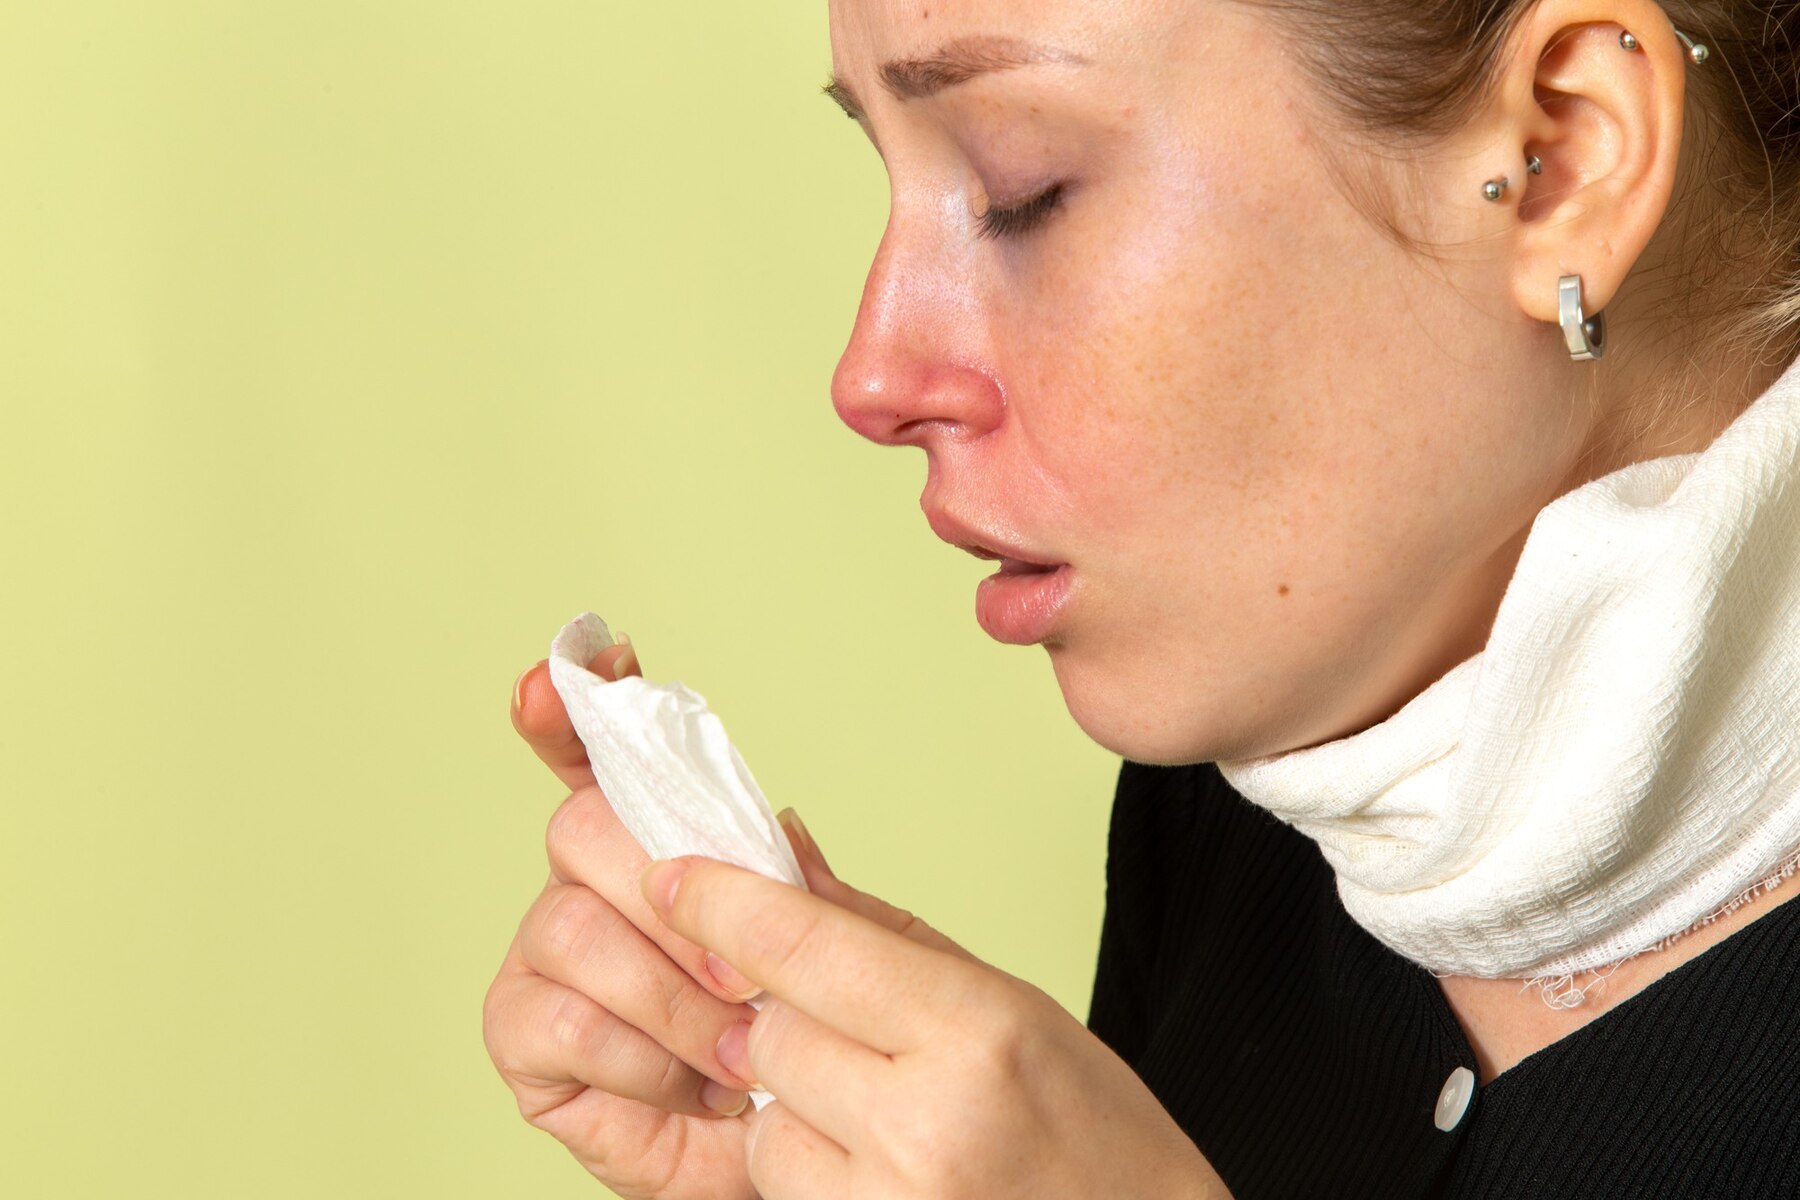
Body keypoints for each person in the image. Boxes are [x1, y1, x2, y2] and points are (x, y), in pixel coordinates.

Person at [482, 0, 1800, 1195]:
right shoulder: (1240, 796)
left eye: (1023, 190)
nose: (872, 375)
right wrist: (783, 1126)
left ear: (1564, 160)